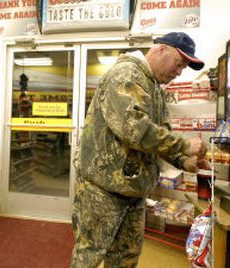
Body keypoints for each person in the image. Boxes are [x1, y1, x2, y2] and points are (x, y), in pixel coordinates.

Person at [71, 32, 208, 268]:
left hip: (133, 191)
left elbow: (160, 132)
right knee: (90, 256)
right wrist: (185, 145)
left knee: (126, 257)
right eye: (178, 64)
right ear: (160, 50)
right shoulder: (126, 75)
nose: (179, 72)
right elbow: (135, 130)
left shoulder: (154, 86)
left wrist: (183, 161)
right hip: (102, 189)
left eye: (183, 68)